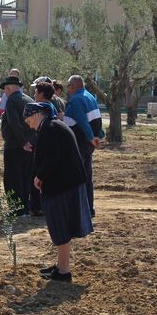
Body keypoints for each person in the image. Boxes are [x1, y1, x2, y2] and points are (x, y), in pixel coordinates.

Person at [25, 102, 93, 282]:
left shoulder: (51, 128)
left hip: (63, 186)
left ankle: (64, 271)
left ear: (37, 114)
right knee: (63, 228)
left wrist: (39, 176)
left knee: (61, 228)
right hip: (68, 183)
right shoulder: (53, 125)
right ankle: (62, 266)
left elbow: (52, 157)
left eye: (28, 120)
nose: (29, 124)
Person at [64, 75, 104, 217]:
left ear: (73, 85)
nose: (67, 90)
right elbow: (97, 119)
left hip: (78, 143)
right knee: (87, 176)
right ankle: (89, 208)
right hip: (88, 145)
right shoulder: (91, 97)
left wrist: (91, 137)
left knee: (77, 176)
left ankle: (79, 210)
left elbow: (82, 122)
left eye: (68, 86)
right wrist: (99, 135)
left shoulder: (75, 100)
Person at [1, 76, 38, 216]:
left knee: (12, 178)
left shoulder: (12, 101)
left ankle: (17, 209)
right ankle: (25, 208)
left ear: (9, 88)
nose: (5, 92)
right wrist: (30, 141)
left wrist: (23, 142)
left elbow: (14, 123)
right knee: (25, 177)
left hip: (15, 146)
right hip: (30, 145)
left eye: (5, 89)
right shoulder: (29, 99)